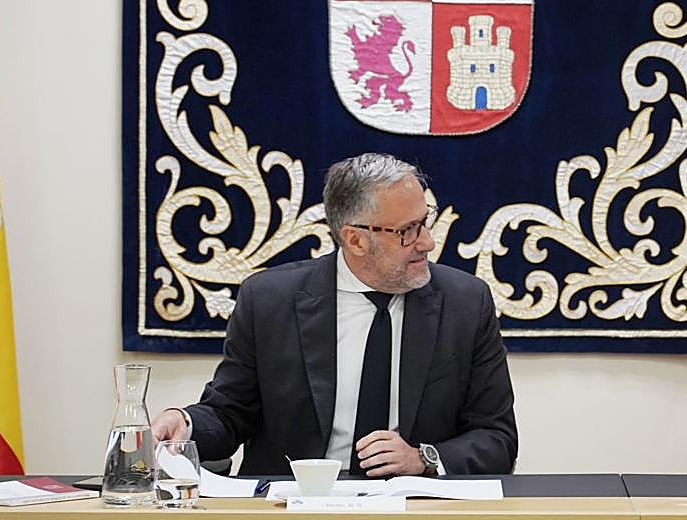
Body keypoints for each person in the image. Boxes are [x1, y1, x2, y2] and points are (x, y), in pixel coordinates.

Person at [151, 153, 518, 477]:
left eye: (425, 221)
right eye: (408, 231)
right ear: (355, 239)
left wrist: (423, 458)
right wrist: (185, 423)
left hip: (415, 505)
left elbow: (497, 437)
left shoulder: (466, 303)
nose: (428, 242)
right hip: (296, 505)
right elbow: (230, 413)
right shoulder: (269, 301)